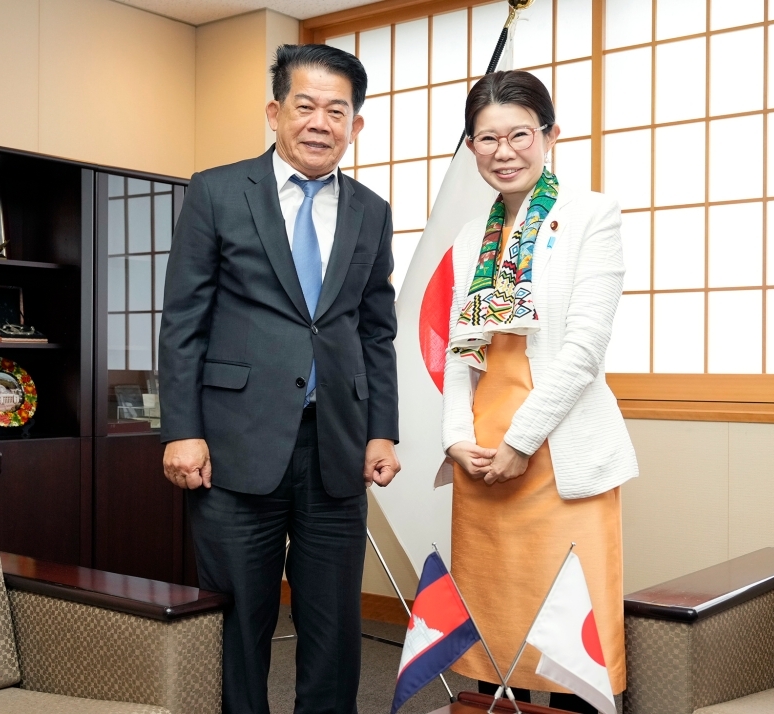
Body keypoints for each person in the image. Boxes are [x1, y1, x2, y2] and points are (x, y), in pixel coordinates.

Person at [159, 44, 400, 714]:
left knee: (334, 628)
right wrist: (181, 431)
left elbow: (377, 331)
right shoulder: (215, 190)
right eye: (306, 106)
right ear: (275, 112)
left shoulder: (371, 211)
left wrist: (382, 430)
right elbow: (183, 320)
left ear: (357, 124)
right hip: (234, 446)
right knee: (241, 621)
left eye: (337, 110)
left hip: (338, 447)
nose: (320, 122)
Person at [441, 70, 638, 712]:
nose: (504, 152)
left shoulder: (591, 215)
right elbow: (460, 351)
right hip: (482, 459)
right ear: (471, 146)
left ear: (550, 135)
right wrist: (457, 439)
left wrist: (521, 442)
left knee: (567, 629)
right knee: (493, 628)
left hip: (558, 453)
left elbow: (584, 349)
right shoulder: (471, 235)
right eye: (486, 138)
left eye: (519, 134)